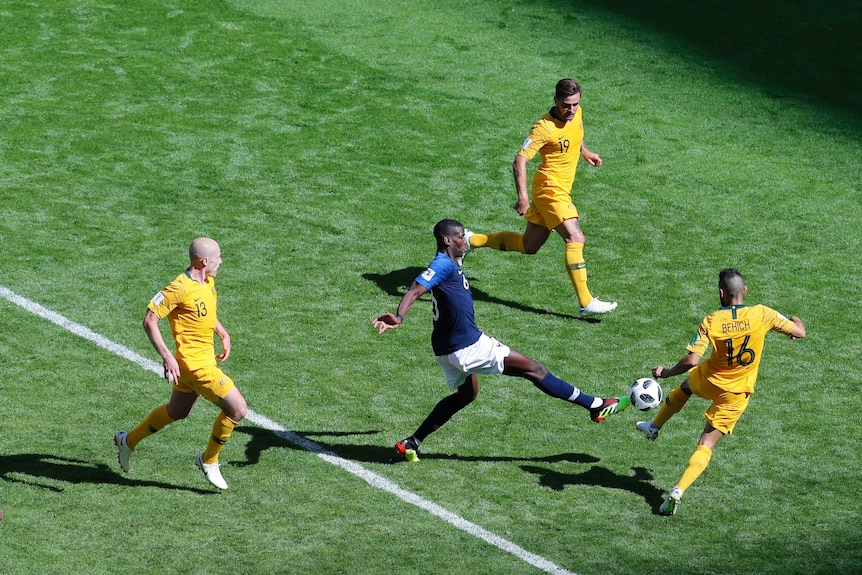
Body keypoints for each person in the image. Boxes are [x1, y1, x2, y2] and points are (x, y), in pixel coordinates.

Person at [373, 219, 628, 462]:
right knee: (535, 370)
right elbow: (417, 288)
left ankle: (413, 442)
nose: (466, 240)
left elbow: (453, 305)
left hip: (446, 349)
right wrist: (399, 316)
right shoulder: (442, 265)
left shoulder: (451, 264)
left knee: (466, 396)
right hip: (467, 347)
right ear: (447, 239)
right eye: (462, 236)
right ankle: (594, 405)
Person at [637, 268, 805, 515]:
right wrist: (796, 319)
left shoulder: (712, 320)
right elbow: (798, 331)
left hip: (710, 379)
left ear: (721, 293)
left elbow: (692, 361)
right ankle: (678, 491)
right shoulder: (762, 314)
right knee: (706, 442)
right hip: (736, 393)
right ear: (744, 291)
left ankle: (655, 426)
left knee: (685, 386)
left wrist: (665, 373)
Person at [463, 78, 616, 318]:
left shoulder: (575, 114)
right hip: (549, 189)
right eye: (566, 105)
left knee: (528, 245)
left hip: (561, 189)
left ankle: (471, 240)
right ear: (555, 100)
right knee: (575, 237)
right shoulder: (543, 128)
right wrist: (522, 197)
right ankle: (585, 301)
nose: (571, 110)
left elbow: (576, 132)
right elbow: (520, 161)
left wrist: (585, 151)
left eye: (575, 104)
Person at [114, 238, 248, 490]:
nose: (221, 261)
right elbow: (149, 320)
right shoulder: (179, 287)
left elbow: (205, 311)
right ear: (204, 261)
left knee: (177, 412)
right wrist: (167, 357)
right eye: (218, 257)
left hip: (200, 362)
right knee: (237, 410)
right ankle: (208, 460)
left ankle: (127, 440)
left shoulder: (208, 281)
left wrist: (222, 331)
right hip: (195, 367)